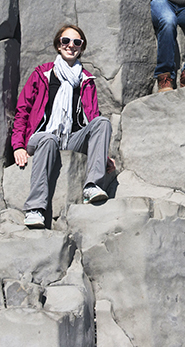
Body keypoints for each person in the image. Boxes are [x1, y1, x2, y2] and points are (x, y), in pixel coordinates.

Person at [11, 24, 114, 228]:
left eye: (77, 42)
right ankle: (35, 209)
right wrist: (18, 146)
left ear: (82, 47)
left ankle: (92, 186)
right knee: (49, 139)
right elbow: (23, 110)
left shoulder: (86, 80)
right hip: (41, 136)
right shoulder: (42, 74)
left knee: (102, 122)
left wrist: (102, 154)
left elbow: (93, 116)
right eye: (65, 41)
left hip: (71, 139)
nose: (71, 46)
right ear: (58, 45)